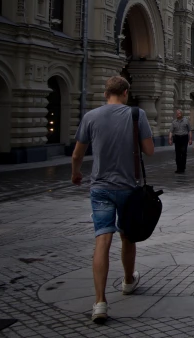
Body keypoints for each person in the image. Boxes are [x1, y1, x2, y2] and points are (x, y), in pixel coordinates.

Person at [71, 76, 153, 324]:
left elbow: (77, 154)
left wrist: (76, 173)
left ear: (106, 94)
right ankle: (128, 281)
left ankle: (99, 303)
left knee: (102, 240)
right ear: (125, 92)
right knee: (127, 237)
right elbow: (149, 150)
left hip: (100, 188)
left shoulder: (91, 117)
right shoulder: (136, 115)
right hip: (128, 188)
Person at [168, 109, 191, 174]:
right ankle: (178, 168)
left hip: (184, 138)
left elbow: (189, 130)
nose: (177, 115)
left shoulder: (186, 121)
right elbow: (171, 131)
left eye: (179, 113)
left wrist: (190, 139)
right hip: (177, 138)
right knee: (177, 154)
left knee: (183, 152)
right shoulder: (174, 122)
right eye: (177, 113)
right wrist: (170, 139)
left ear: (182, 114)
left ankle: (183, 167)